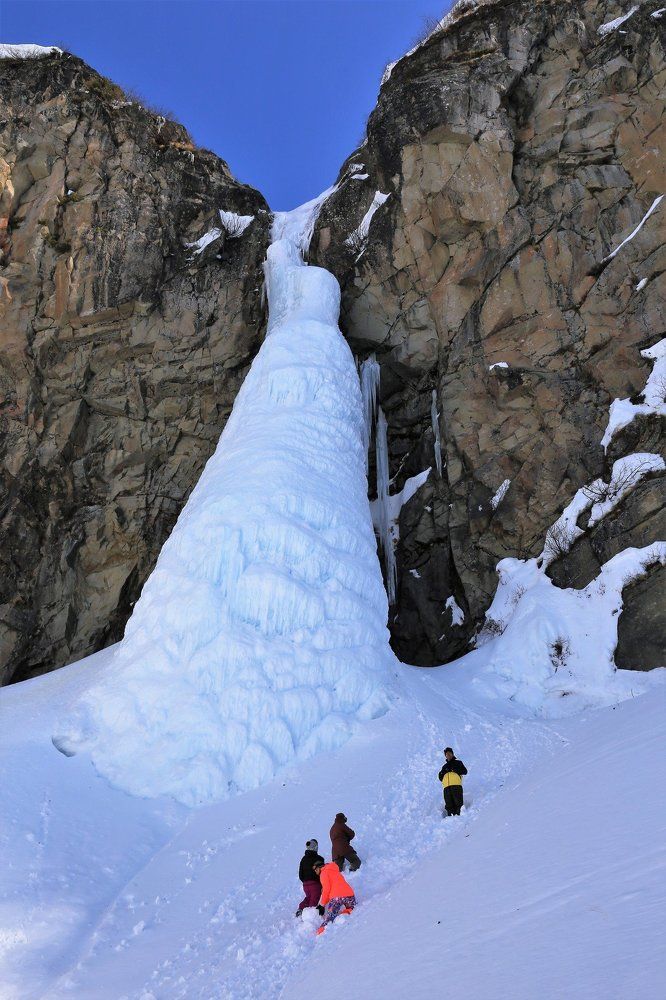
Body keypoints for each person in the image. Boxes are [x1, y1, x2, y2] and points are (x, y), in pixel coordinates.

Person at [312, 859, 356, 935]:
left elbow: (326, 890)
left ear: (319, 867)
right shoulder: (334, 869)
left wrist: (322, 905)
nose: (315, 872)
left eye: (315, 870)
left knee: (329, 919)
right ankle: (343, 917)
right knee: (352, 909)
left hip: (337, 898)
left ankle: (319, 933)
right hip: (349, 895)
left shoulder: (323, 873)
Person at [295, 839, 325, 917]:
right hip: (315, 884)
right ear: (315, 848)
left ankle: (301, 908)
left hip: (305, 885)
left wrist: (305, 881)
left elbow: (300, 874)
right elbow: (322, 872)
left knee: (308, 897)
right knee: (314, 900)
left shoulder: (303, 859)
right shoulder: (320, 859)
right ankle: (311, 916)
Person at [438, 746, 468, 816]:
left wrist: (454, 770)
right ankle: (450, 820)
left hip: (456, 785)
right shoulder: (444, 766)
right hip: (446, 788)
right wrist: (442, 773)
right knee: (449, 805)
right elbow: (440, 777)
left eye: (449, 753)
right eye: (446, 754)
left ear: (452, 754)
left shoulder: (458, 763)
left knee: (458, 803)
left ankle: (460, 818)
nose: (448, 755)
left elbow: (465, 771)